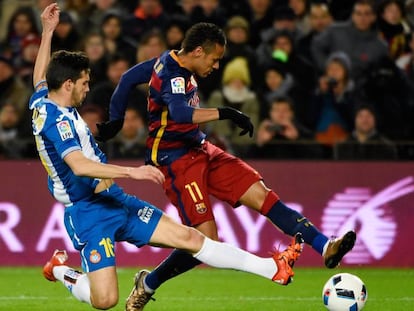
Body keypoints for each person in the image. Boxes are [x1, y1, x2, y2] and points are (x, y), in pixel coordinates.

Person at [32, 4, 305, 311]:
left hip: (116, 199)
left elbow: (39, 76)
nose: (87, 88)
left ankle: (271, 268)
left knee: (191, 239)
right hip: (88, 214)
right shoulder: (58, 123)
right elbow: (79, 165)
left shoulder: (44, 97)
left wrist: (48, 32)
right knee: (105, 300)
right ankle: (58, 269)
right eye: (83, 82)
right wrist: (134, 172)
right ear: (67, 85)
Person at [97, 22, 356, 310]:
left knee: (262, 194)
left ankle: (324, 245)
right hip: (176, 160)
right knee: (206, 242)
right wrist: (227, 112)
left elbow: (128, 77)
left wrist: (116, 118)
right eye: (214, 58)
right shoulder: (172, 73)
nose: (217, 65)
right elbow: (181, 113)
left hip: (202, 148)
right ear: (197, 51)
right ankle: (147, 283)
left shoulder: (165, 60)